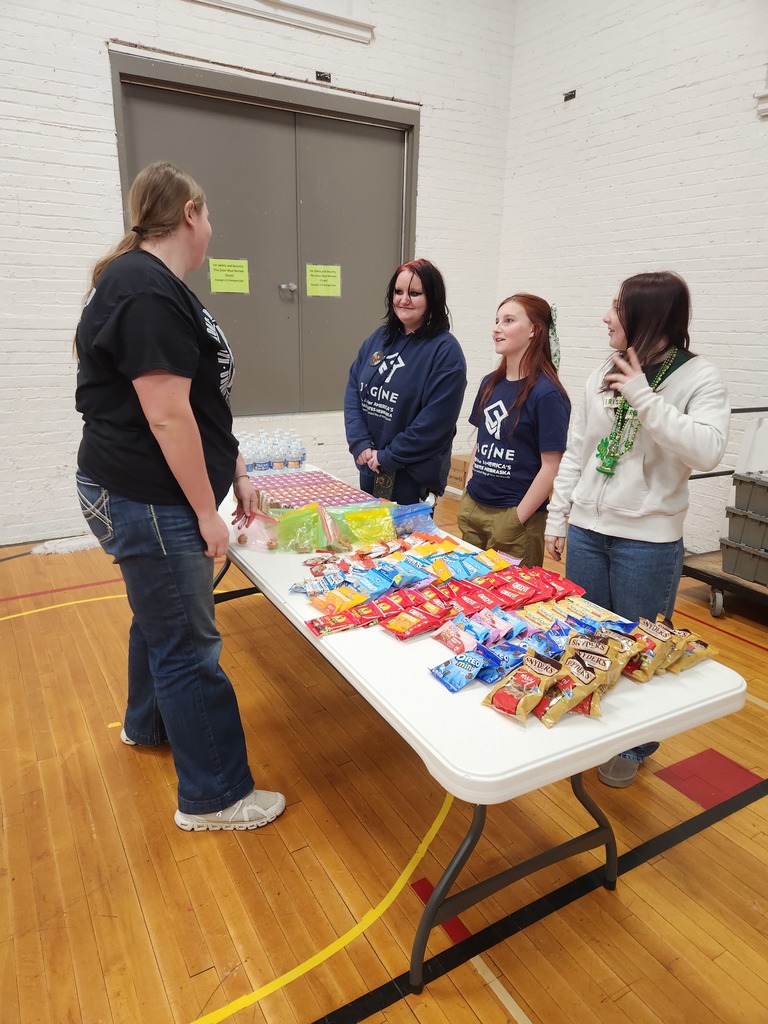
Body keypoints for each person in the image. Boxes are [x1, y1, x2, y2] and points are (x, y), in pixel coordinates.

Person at [74, 161, 286, 831]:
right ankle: (216, 795)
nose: (212, 231)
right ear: (190, 214)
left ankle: (146, 726)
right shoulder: (144, 288)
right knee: (188, 646)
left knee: (157, 617)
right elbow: (166, 415)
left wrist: (239, 473)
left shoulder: (155, 285)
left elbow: (202, 402)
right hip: (149, 496)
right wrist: (205, 511)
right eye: (210, 217)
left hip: (146, 490)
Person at [544, 271, 730, 787]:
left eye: (617, 308)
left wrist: (643, 395)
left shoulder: (698, 377)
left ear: (647, 317)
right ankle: (592, 720)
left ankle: (635, 744)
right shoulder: (601, 371)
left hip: (647, 542)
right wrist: (559, 518)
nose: (606, 317)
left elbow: (708, 449)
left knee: (638, 644)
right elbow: (577, 450)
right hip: (586, 530)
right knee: (589, 637)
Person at [457, 294, 570, 567]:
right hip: (475, 508)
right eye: (497, 321)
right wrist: (468, 492)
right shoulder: (489, 383)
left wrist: (517, 518)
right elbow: (481, 442)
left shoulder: (547, 394)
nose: (497, 328)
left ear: (534, 330)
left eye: (508, 320)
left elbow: (551, 467)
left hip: (514, 517)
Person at [344, 258, 467, 505]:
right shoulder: (378, 339)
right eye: (398, 292)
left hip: (412, 480)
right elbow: (354, 392)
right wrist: (360, 443)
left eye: (414, 293)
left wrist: (389, 456)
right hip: (370, 467)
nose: (404, 300)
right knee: (370, 543)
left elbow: (435, 423)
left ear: (432, 297)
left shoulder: (445, 351)